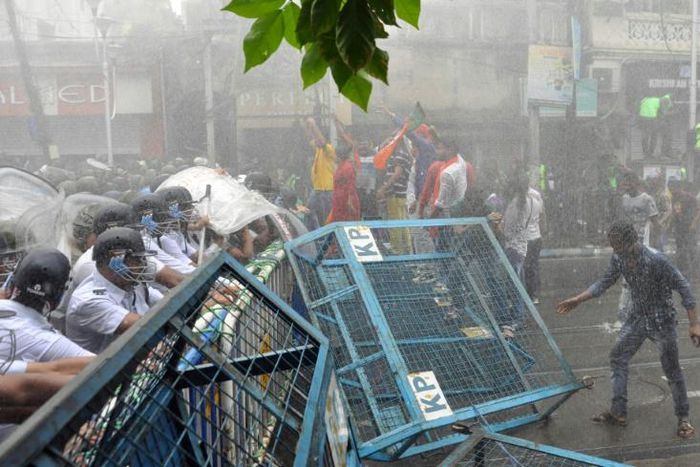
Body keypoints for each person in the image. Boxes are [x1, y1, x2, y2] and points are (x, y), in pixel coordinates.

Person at [557, 222, 700, 439]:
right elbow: (605, 281)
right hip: (637, 318)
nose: (613, 248)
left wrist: (694, 324)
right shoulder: (619, 258)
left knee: (672, 371)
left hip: (662, 322)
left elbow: (684, 288)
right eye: (612, 243)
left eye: (616, 243)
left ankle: (683, 419)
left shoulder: (656, 260)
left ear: (630, 241)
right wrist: (579, 299)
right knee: (618, 356)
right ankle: (618, 411)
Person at [67, 228, 163, 354]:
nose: (143, 265)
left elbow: (165, 303)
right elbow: (143, 327)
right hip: (101, 371)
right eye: (137, 260)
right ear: (116, 262)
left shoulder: (131, 283)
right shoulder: (89, 300)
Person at [616, 171, 659, 322]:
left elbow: (655, 222)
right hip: (628, 243)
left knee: (642, 276)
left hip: (643, 243)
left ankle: (645, 309)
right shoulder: (624, 199)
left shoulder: (647, 199)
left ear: (635, 183)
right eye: (624, 183)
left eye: (628, 183)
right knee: (627, 276)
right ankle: (624, 310)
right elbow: (623, 221)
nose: (625, 186)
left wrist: (656, 245)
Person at [377, 144, 413, 254]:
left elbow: (397, 173)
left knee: (395, 225)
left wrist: (383, 188)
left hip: (395, 193)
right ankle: (407, 250)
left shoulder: (399, 154)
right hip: (400, 195)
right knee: (403, 225)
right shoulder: (404, 153)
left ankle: (397, 250)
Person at [305, 117, 336, 226]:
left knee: (326, 217)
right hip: (317, 189)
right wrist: (309, 127)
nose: (316, 141)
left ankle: (327, 237)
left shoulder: (328, 149)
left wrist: (314, 125)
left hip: (326, 190)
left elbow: (321, 141)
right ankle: (314, 235)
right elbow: (310, 139)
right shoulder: (318, 149)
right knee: (308, 212)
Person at [668, 179, 698, 279]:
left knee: (691, 249)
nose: (671, 191)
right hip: (679, 228)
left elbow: (698, 211)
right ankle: (682, 271)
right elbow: (674, 212)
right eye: (670, 189)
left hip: (689, 228)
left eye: (672, 188)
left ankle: (695, 271)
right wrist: (670, 225)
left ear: (678, 187)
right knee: (680, 248)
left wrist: (693, 224)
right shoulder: (674, 198)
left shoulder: (689, 198)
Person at [327, 144, 360, 223]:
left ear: (339, 156)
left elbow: (351, 185)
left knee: (346, 223)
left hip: (345, 202)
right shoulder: (341, 166)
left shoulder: (347, 167)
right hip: (339, 201)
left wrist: (350, 200)